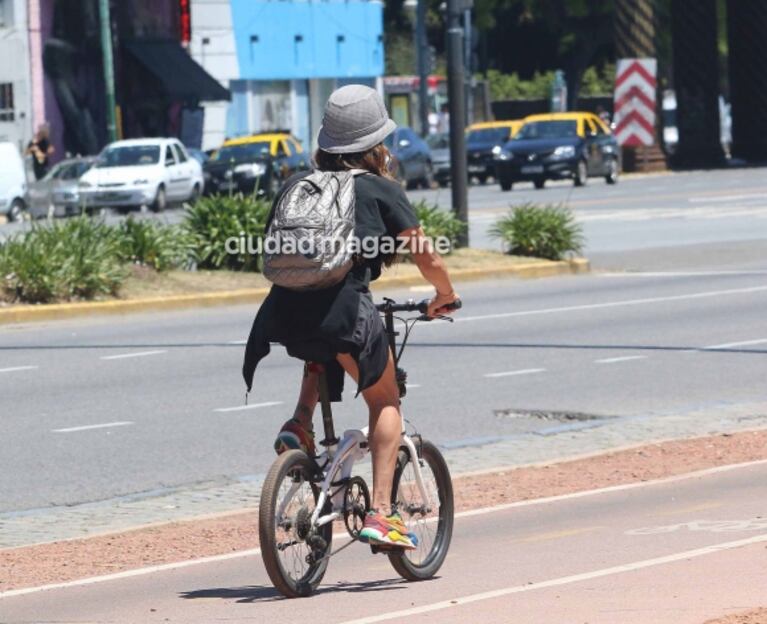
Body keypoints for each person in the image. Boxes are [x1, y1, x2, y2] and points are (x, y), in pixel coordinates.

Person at [243, 85, 460, 550]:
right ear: (376, 143)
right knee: (385, 402)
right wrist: (444, 294)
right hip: (342, 310)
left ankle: (299, 421)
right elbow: (427, 258)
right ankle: (382, 514)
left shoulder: (298, 186)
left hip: (282, 310)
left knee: (320, 344)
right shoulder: (379, 188)